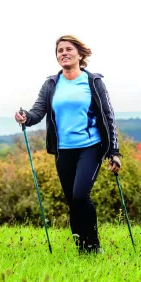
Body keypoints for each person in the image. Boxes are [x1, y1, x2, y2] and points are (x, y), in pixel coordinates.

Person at [14, 35, 122, 254]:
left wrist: (114, 152)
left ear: (80, 55)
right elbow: (37, 112)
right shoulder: (51, 84)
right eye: (59, 50)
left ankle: (94, 245)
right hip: (63, 150)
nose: (63, 53)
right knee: (72, 201)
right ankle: (82, 247)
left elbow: (108, 117)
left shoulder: (93, 82)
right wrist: (25, 116)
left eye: (68, 49)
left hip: (90, 146)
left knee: (81, 195)